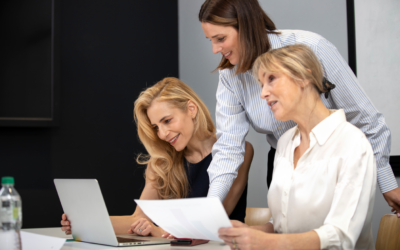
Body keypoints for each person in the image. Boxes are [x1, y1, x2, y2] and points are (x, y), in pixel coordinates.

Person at [199, 0, 400, 216]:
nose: (214, 50)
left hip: (330, 159)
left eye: (220, 39)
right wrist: (210, 208)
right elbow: (228, 147)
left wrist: (387, 181)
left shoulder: (311, 47)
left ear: (246, 26)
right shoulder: (230, 76)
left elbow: (364, 117)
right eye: (210, 40)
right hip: (283, 160)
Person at [219, 44, 376, 250]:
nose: (263, 93)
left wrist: (267, 243)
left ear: (304, 77)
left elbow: (341, 236)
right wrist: (250, 233)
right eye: (261, 84)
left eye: (271, 79)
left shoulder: (353, 144)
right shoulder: (284, 143)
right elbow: (283, 227)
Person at [60, 77, 254, 236]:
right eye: (156, 127)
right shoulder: (161, 162)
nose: (162, 134)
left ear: (191, 109)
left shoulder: (240, 151)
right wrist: (84, 222)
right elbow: (137, 219)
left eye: (167, 121)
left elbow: (214, 220)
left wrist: (156, 230)